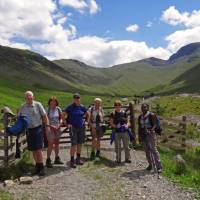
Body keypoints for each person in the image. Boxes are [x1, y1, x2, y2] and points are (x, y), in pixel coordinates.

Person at [18, 91, 49, 176]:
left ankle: (42, 167)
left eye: (31, 98)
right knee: (33, 150)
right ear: (25, 99)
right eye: (28, 98)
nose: (30, 99)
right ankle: (37, 166)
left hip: (38, 128)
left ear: (33, 97)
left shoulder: (38, 104)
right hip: (29, 130)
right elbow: (19, 118)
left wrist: (47, 126)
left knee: (38, 149)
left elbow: (44, 116)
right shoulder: (22, 107)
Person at [64, 93, 89, 168]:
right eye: (75, 98)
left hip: (81, 127)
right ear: (73, 99)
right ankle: (72, 161)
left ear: (80, 99)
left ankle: (78, 159)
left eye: (78, 98)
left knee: (80, 143)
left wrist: (86, 121)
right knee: (74, 144)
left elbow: (88, 114)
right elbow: (63, 115)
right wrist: (66, 124)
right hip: (73, 127)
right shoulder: (70, 107)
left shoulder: (82, 107)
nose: (77, 99)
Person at [138, 103, 162, 173]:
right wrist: (139, 136)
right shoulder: (140, 117)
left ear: (148, 108)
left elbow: (155, 124)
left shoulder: (152, 115)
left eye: (145, 107)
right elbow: (139, 127)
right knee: (146, 150)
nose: (143, 108)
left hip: (151, 134)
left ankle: (159, 167)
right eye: (142, 107)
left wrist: (150, 130)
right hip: (143, 134)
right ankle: (150, 164)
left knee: (154, 149)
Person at [46, 96, 64, 168]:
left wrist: (60, 124)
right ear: (49, 102)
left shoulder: (58, 109)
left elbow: (61, 118)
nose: (53, 103)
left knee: (57, 143)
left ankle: (57, 158)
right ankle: (48, 160)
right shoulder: (47, 109)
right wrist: (50, 126)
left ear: (56, 103)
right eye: (51, 102)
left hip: (57, 127)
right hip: (50, 128)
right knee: (50, 143)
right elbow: (45, 120)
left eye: (54, 102)